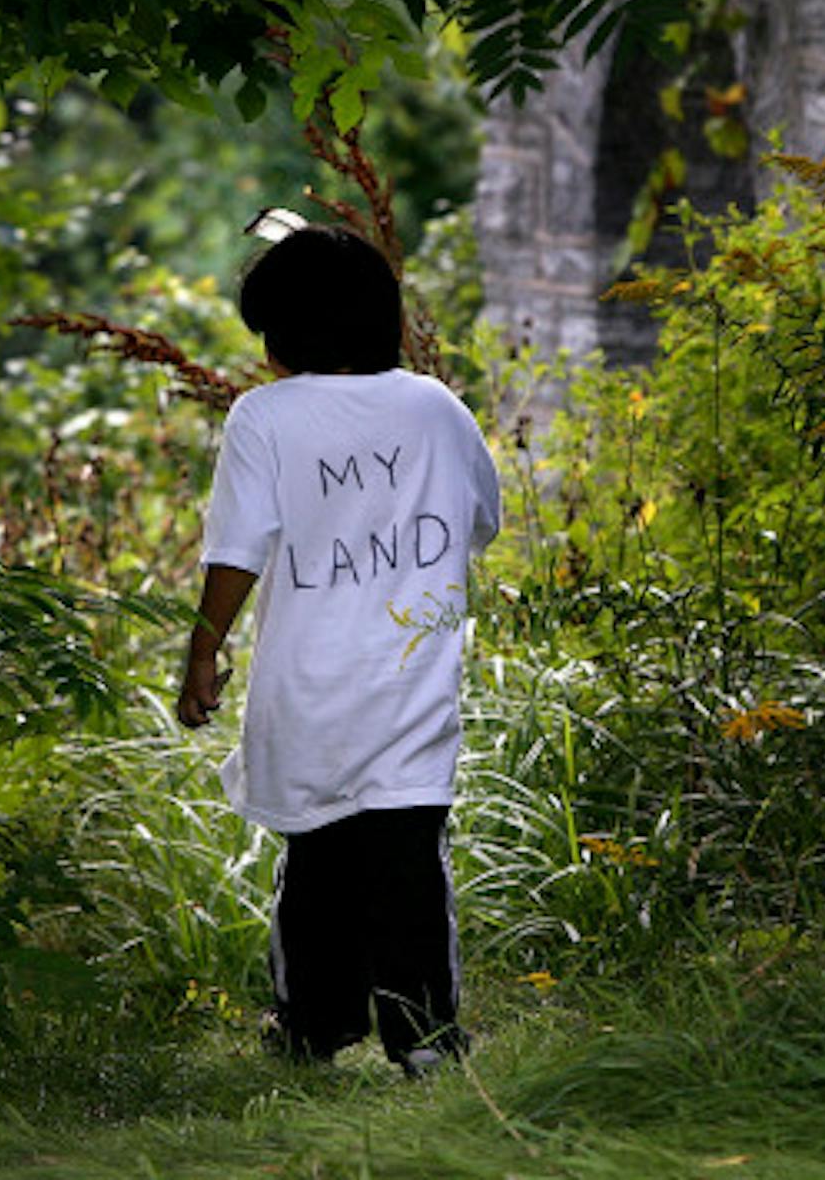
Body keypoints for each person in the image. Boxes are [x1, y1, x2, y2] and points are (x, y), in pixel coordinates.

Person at [177, 226, 501, 1077]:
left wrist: (203, 653)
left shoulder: (264, 417)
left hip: (307, 691)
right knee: (408, 867)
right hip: (411, 684)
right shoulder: (437, 407)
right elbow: (482, 521)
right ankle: (427, 1040)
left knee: (316, 865)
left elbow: (237, 552)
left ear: (282, 334)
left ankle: (313, 1030)